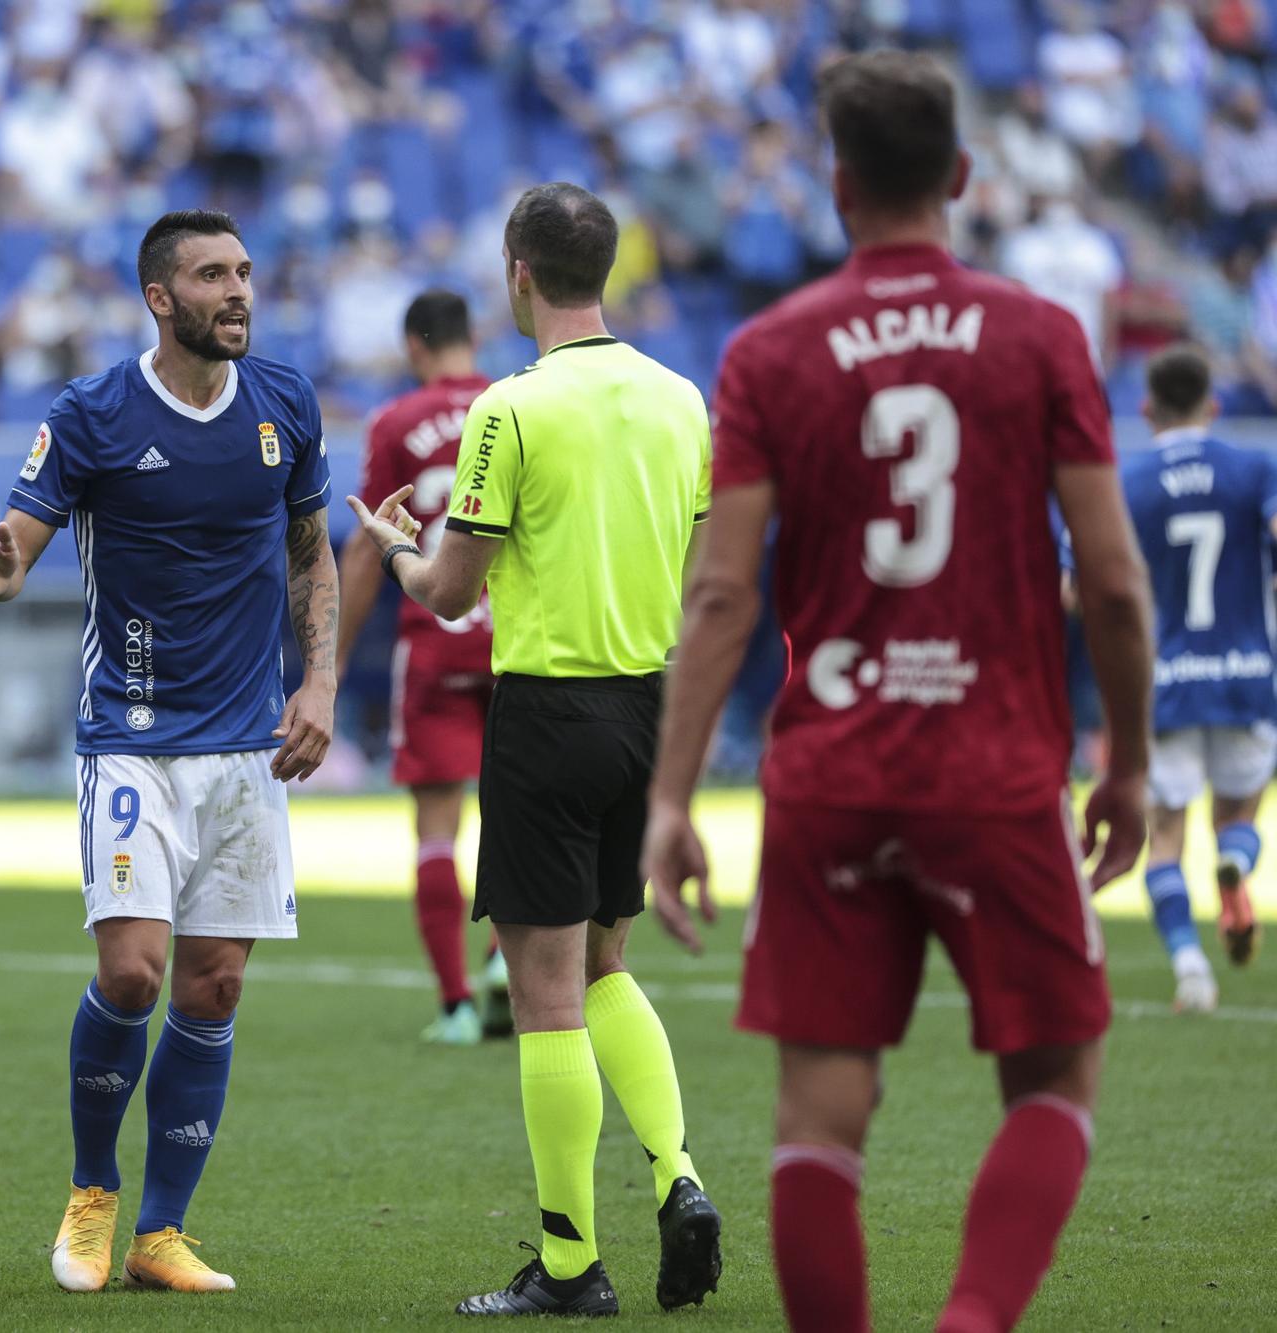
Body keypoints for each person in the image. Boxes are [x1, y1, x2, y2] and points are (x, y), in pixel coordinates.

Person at [642, 51, 1154, 1333]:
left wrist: (668, 793)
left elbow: (719, 595)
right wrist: (1131, 763)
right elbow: (1110, 580)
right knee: (1053, 1081)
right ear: (963, 177)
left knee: (821, 1116)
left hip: (829, 772)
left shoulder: (768, 350)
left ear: (834, 185)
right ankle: (972, 1318)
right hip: (994, 767)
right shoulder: (1039, 335)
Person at [347, 181, 721, 1318]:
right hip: (646, 711)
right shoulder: (678, 399)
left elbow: (453, 591)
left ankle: (569, 1264)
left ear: (518, 273)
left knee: (546, 991)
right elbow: (707, 572)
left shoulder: (509, 410)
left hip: (548, 712)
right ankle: (678, 1173)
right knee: (609, 966)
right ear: (602, 269)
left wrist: (397, 551)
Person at [0, 209, 337, 1296]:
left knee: (212, 989)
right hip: (129, 738)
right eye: (213, 275)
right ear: (159, 298)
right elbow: (21, 535)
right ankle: (89, 1194)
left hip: (246, 746)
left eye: (246, 272)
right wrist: (2, 566)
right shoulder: (92, 413)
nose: (239, 292)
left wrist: (316, 684)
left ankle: (161, 1234)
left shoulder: (284, 405)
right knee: (132, 971)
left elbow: (315, 560)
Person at [334, 288, 500, 1046]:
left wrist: (327, 663)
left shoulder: (397, 421)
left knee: (437, 827)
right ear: (473, 336)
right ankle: (504, 958)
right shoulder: (520, 403)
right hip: (519, 640)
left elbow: (371, 543)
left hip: (435, 639)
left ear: (413, 347)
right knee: (522, 817)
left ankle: (458, 1004)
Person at [1121, 344, 1274, 1010]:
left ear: (1147, 407)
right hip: (1245, 667)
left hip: (1167, 676)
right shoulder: (1254, 466)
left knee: (1166, 830)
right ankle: (1236, 863)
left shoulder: (1127, 480)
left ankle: (1191, 969)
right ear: (1213, 406)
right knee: (1239, 808)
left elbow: (1085, 586)